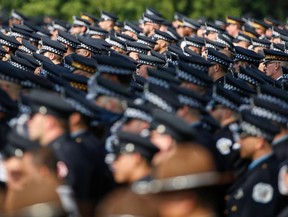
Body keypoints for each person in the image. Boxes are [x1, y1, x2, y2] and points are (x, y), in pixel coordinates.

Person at [225, 109, 285, 217]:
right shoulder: (256, 169)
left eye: (243, 137)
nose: (239, 142)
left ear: (259, 142)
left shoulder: (265, 176)